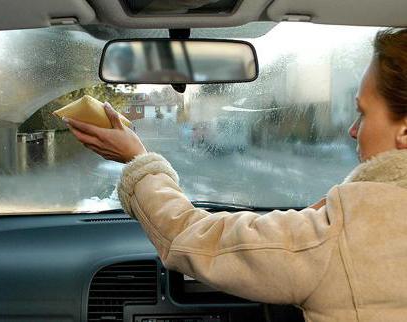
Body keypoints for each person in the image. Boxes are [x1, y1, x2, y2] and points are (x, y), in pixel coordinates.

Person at [63, 29, 407, 321]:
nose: (351, 130)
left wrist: (136, 158)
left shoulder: (348, 233)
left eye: (362, 113)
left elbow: (191, 237)